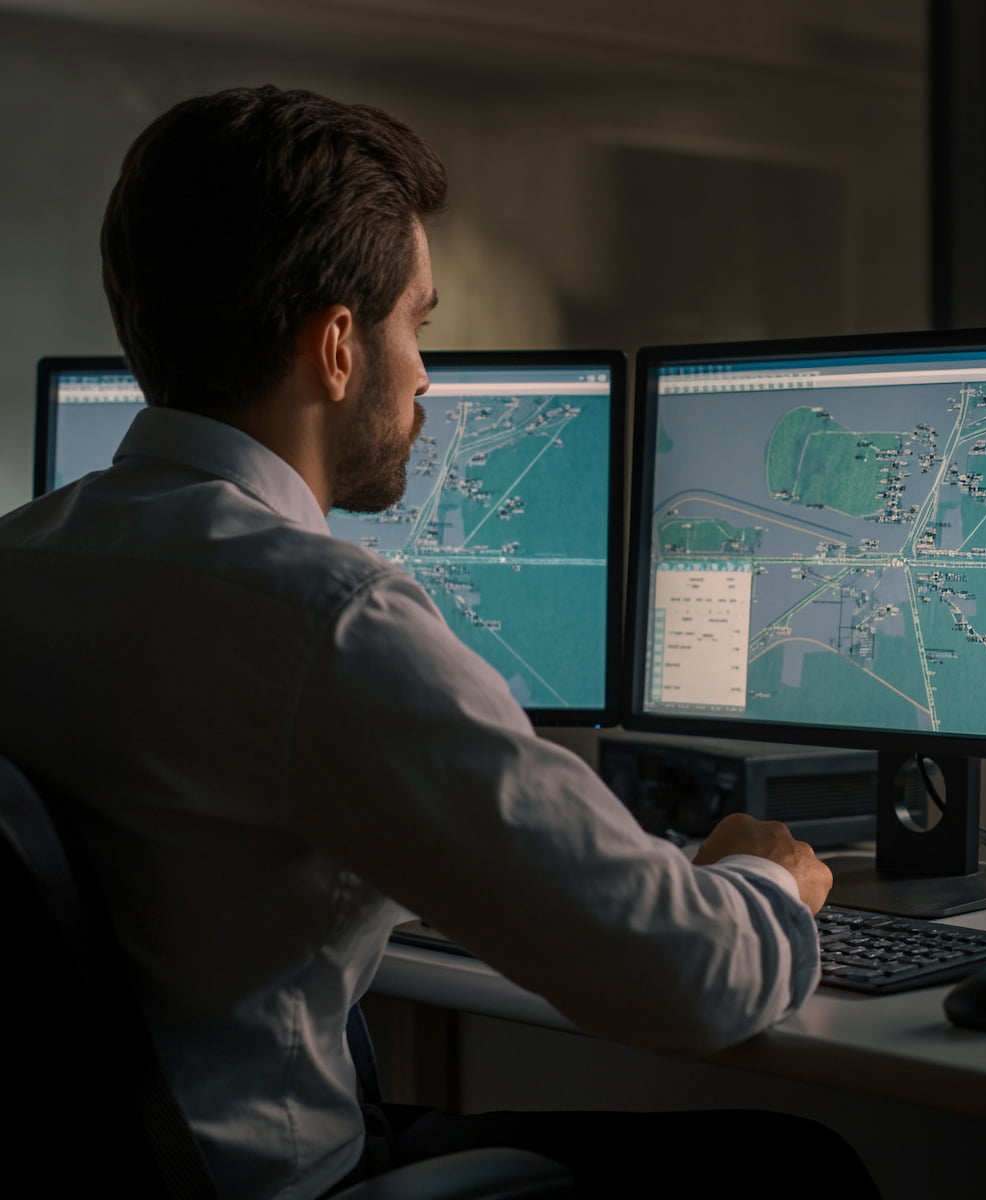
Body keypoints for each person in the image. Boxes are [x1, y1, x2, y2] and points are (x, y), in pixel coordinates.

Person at [0, 86, 878, 1199]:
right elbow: (686, 978)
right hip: (286, 1182)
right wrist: (767, 878)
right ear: (334, 347)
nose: (424, 373)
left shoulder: (22, 562)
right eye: (419, 322)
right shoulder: (325, 619)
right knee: (795, 1168)